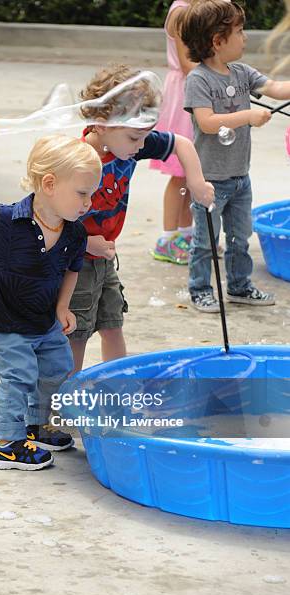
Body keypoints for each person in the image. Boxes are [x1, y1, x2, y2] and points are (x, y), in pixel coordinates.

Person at [0, 135, 102, 470]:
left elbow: (73, 269)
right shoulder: (5, 220)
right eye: (82, 192)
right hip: (2, 318)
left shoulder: (75, 232)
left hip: (43, 318)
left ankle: (35, 424)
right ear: (49, 184)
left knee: (57, 369)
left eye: (91, 193)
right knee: (19, 375)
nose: (89, 202)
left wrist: (62, 308)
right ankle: (5, 442)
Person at [68, 63, 215, 372]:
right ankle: (68, 397)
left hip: (104, 256)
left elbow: (181, 143)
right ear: (102, 125)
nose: (140, 147)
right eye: (135, 138)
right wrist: (84, 240)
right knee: (76, 333)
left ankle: (118, 385)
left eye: (143, 138)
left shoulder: (128, 142)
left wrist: (197, 181)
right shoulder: (79, 162)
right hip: (75, 264)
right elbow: (51, 219)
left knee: (112, 322)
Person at [181, 0, 290, 313]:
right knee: (206, 242)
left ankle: (239, 286)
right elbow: (207, 122)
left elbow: (275, 88)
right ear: (218, 41)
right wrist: (247, 116)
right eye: (240, 32)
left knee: (240, 237)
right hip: (210, 181)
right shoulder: (198, 79)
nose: (246, 38)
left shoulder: (242, 73)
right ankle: (200, 289)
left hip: (240, 176)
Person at [149, 0, 197, 265]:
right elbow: (187, 62)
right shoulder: (180, 12)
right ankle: (167, 239)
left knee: (192, 173)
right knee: (180, 172)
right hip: (184, 93)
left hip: (196, 88)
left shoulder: (201, 9)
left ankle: (187, 235)